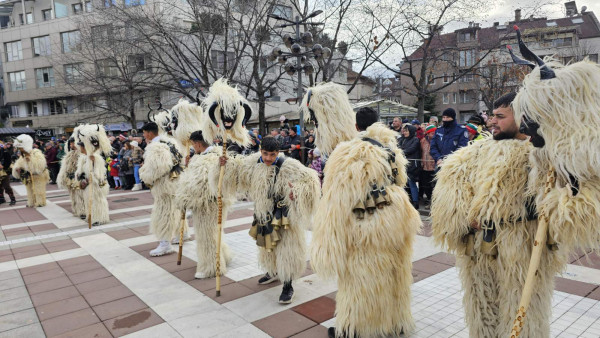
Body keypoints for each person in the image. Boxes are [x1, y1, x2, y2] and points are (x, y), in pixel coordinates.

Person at [431, 92, 564, 337]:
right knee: (482, 311)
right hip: (480, 250)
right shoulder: (475, 152)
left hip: (523, 248)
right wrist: (462, 219)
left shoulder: (542, 154)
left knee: (524, 313)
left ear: (523, 118)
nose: (492, 121)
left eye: (500, 117)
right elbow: (451, 187)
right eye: (492, 116)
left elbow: (563, 199)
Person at [310, 107, 421, 338]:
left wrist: (327, 243)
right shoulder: (391, 148)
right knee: (395, 272)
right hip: (396, 217)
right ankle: (395, 322)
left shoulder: (347, 152)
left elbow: (337, 198)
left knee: (361, 278)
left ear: (356, 127)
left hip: (365, 223)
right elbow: (400, 180)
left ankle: (355, 330)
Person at [228, 136, 319, 304]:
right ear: (260, 150)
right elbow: (237, 174)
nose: (268, 158)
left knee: (287, 249)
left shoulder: (290, 166)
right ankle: (273, 271)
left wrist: (297, 192)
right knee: (267, 247)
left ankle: (288, 283)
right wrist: (225, 165)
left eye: (272, 154)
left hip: (285, 215)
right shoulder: (253, 163)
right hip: (263, 213)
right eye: (265, 153)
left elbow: (310, 181)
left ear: (278, 152)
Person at [176, 130, 233, 278]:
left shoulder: (204, 159)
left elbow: (198, 185)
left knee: (206, 235)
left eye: (193, 144)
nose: (193, 147)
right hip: (218, 201)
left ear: (198, 143)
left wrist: (184, 199)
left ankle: (211, 266)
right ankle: (223, 257)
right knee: (215, 232)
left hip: (206, 204)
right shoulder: (217, 154)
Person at [139, 122, 184, 256]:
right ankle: (180, 234)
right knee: (174, 211)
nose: (144, 135)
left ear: (149, 133)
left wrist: (145, 175)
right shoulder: (171, 142)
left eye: (144, 133)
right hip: (175, 182)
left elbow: (157, 168)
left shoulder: (156, 146)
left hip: (164, 186)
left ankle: (165, 244)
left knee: (164, 214)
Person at [74, 124, 111, 225]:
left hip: (94, 184)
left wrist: (90, 179)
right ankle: (92, 216)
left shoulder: (95, 157)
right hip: (87, 184)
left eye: (81, 146)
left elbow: (98, 173)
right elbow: (80, 171)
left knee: (97, 201)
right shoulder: (83, 157)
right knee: (89, 201)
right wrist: (80, 177)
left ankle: (99, 218)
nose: (79, 148)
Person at [12, 134, 49, 207]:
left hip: (38, 176)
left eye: (21, 148)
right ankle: (31, 202)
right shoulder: (23, 156)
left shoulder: (36, 152)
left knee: (38, 189)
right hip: (28, 176)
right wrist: (18, 169)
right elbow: (19, 163)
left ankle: (40, 202)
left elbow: (41, 164)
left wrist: (30, 160)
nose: (20, 149)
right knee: (29, 190)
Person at [56, 136, 86, 219]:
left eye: (73, 143)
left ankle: (83, 211)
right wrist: (63, 176)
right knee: (73, 196)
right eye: (70, 143)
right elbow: (65, 167)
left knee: (81, 195)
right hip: (71, 178)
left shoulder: (82, 154)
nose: (71, 145)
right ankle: (77, 210)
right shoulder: (69, 155)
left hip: (79, 178)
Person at [399, 124, 421, 209]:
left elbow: (411, 149)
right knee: (403, 184)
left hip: (412, 165)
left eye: (406, 131)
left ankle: (415, 202)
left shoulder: (415, 140)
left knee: (412, 183)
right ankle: (405, 201)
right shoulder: (402, 139)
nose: (405, 132)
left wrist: (400, 152)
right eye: (404, 131)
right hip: (403, 164)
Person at [419, 125, 436, 204]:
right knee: (426, 184)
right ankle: (429, 198)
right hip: (425, 166)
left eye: (434, 132)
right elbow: (421, 151)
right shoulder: (423, 141)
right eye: (431, 132)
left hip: (435, 166)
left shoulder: (438, 140)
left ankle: (435, 200)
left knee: (435, 185)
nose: (433, 133)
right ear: (428, 133)